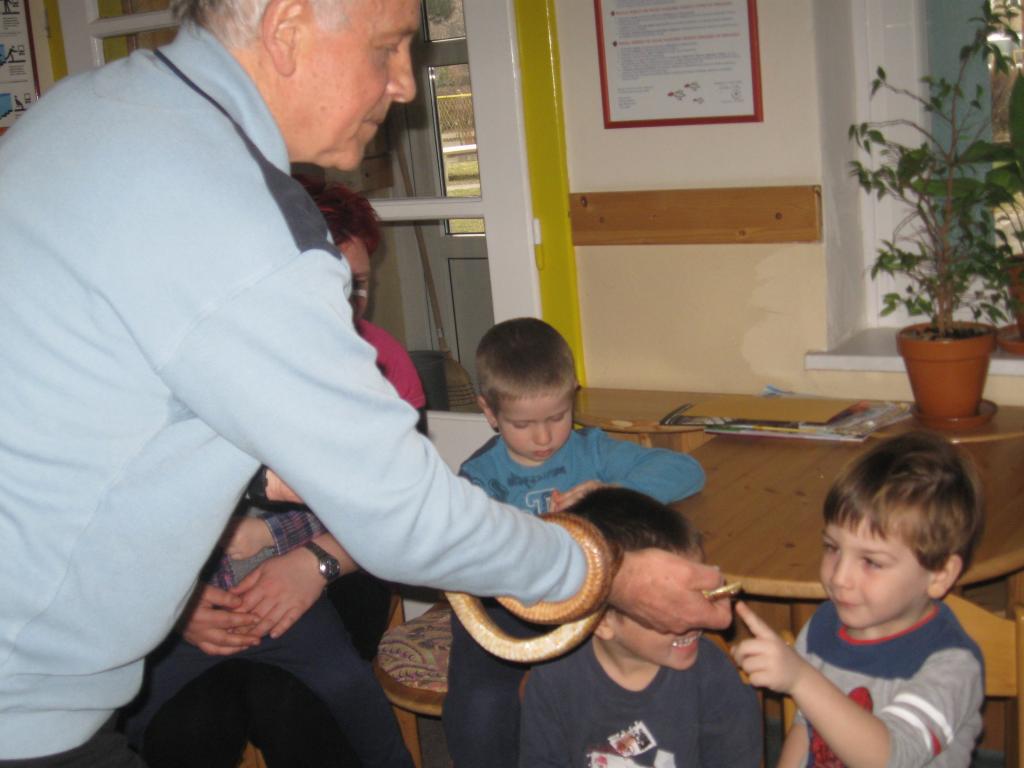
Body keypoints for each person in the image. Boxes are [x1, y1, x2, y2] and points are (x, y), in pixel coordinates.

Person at [0, 0, 731, 762]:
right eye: (388, 47)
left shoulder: (85, 110)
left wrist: (248, 472)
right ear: (287, 30)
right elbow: (405, 516)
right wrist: (603, 567)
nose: (406, 83)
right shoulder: (240, 218)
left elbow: (99, 390)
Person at [120, 182, 418, 767]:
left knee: (311, 703)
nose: (346, 307)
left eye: (358, 287)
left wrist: (310, 560)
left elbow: (397, 506)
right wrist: (174, 603)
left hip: (338, 570)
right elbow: (132, 509)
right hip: (184, 586)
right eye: (328, 287)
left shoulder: (378, 367)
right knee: (177, 722)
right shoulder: (201, 364)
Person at [443, 317, 708, 767]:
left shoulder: (592, 451)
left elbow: (687, 471)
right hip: (502, 613)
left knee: (610, 693)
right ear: (489, 411)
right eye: (523, 424)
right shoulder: (479, 478)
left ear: (573, 397)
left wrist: (610, 495)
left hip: (589, 608)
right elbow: (464, 556)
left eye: (557, 417)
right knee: (482, 708)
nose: (544, 437)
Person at [732, 431, 985, 768]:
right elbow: (806, 728)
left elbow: (890, 758)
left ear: (939, 575)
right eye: (832, 548)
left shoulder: (950, 664)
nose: (839, 577)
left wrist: (800, 678)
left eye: (871, 562)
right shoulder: (823, 625)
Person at [520, 487, 761, 768]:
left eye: (698, 594)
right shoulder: (552, 681)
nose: (695, 617)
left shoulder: (713, 674)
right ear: (602, 621)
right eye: (672, 605)